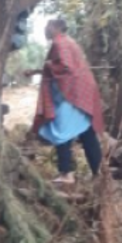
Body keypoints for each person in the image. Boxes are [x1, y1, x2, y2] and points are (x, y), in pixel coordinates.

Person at [28, 19, 105, 184]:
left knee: (60, 131)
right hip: (81, 95)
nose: (45, 29)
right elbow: (62, 67)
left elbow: (65, 67)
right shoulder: (68, 42)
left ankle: (66, 173)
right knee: (86, 133)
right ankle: (99, 174)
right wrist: (37, 70)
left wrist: (48, 65)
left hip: (71, 96)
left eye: (47, 26)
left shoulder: (60, 43)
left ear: (55, 28)